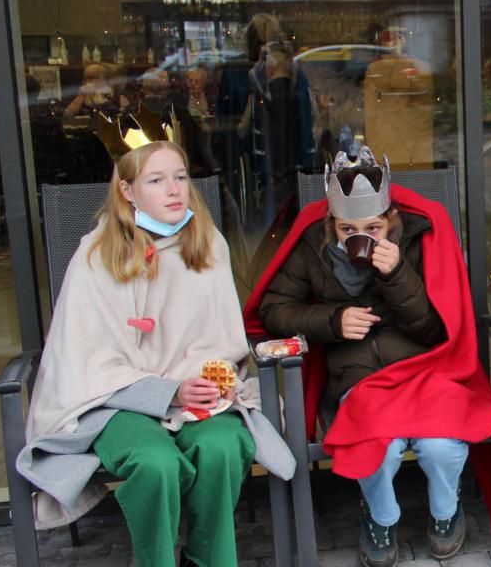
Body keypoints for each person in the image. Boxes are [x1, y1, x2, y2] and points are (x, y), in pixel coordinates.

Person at [15, 109, 294, 567]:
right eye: (156, 180)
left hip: (197, 395)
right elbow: (85, 361)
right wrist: (164, 391)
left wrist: (210, 381)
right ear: (127, 190)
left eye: (181, 177)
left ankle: (206, 559)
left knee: (223, 446)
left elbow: (223, 341)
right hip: (117, 401)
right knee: (155, 462)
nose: (173, 190)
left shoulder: (209, 246)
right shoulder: (95, 257)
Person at [246, 144, 491, 567]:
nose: (361, 237)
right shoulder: (312, 247)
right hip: (357, 377)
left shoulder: (416, 238)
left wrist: (397, 275)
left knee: (440, 445)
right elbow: (274, 310)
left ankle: (446, 513)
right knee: (380, 448)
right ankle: (380, 518)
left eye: (373, 227)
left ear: (390, 220)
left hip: (421, 369)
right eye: (347, 229)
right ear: (331, 223)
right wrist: (333, 321)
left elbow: (434, 328)